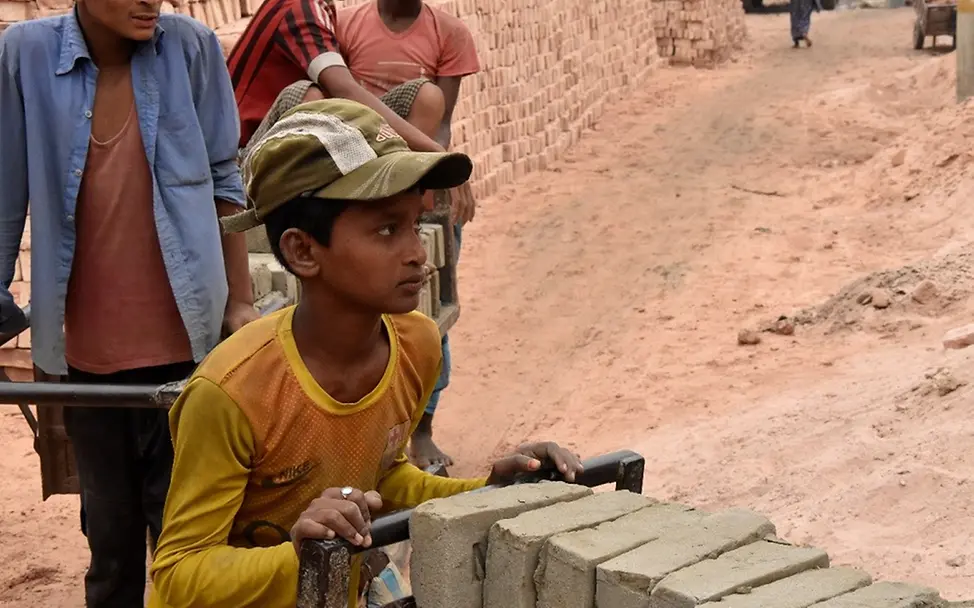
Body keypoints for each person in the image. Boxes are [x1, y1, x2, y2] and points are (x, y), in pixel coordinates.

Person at [148, 98, 584, 608]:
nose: (417, 252)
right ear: (302, 251)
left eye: (412, 225)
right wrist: (303, 556)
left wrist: (488, 489)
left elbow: (385, 474)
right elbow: (179, 575)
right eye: (385, 230)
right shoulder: (233, 392)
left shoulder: (417, 345)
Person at [0, 0, 255, 604]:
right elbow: (5, 191)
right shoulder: (26, 55)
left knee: (186, 543)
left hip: (187, 348)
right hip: (86, 361)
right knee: (110, 546)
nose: (152, 2)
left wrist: (239, 305)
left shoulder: (190, 48)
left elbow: (224, 181)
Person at [336, 0, 480, 469]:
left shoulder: (448, 33)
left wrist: (435, 183)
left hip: (420, 179)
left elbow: (435, 126)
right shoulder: (347, 26)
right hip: (356, 188)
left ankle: (423, 430)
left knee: (426, 314)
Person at [226, 0, 443, 153]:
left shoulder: (322, 9)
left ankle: (401, 194)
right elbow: (344, 89)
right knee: (308, 97)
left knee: (425, 96)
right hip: (249, 154)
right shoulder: (298, 9)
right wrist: (433, 149)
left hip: (295, 143)